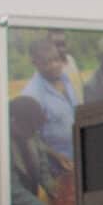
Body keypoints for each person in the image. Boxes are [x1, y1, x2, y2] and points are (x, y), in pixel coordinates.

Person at [5, 95, 72, 205]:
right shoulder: (2, 146)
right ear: (14, 121)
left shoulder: (32, 134)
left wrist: (54, 191)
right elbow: (14, 190)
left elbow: (42, 168)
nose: (34, 131)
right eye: (30, 127)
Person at [20, 33, 81, 163]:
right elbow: (31, 139)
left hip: (79, 156)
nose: (55, 65)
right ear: (35, 63)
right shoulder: (32, 95)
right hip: (58, 167)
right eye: (47, 63)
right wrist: (56, 156)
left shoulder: (66, 78)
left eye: (56, 59)